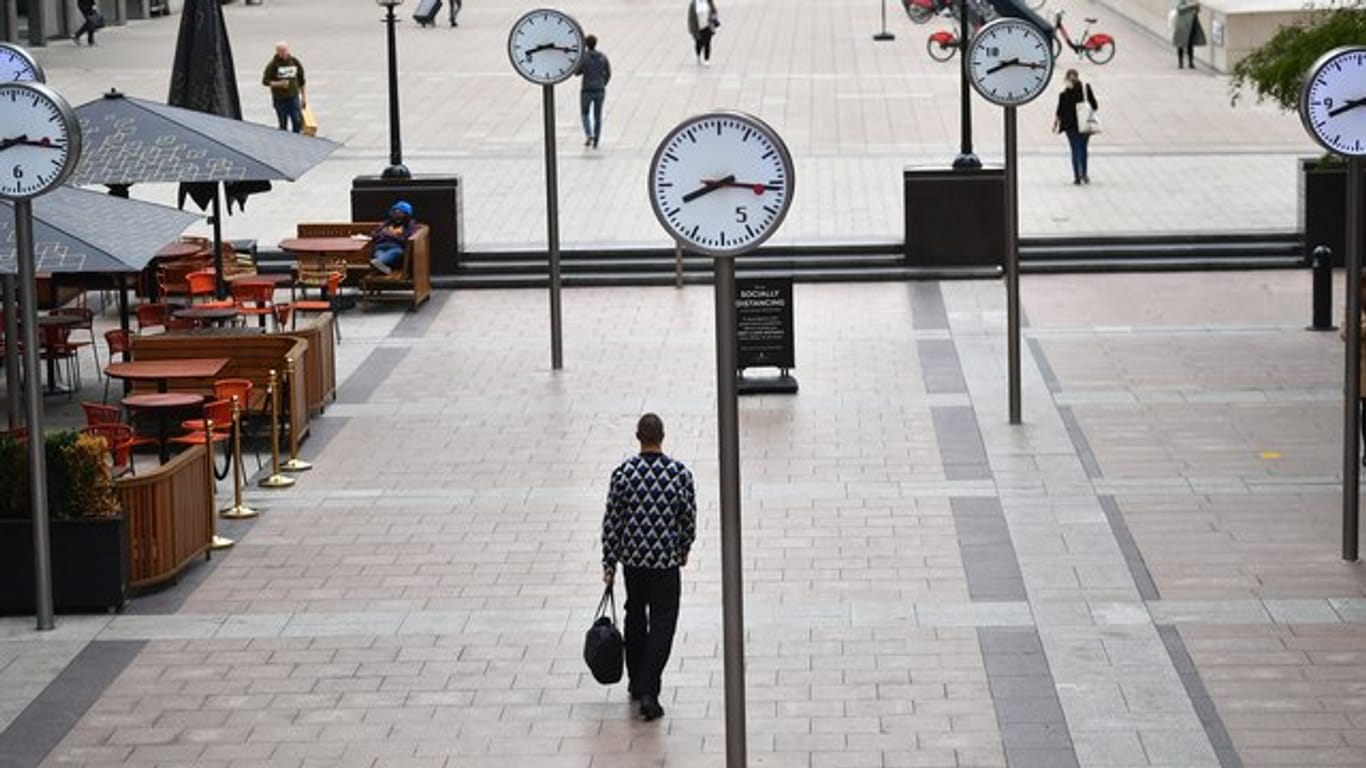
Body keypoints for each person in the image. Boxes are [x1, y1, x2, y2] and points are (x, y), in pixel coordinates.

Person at [601, 413, 696, 722]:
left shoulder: (623, 474)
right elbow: (688, 519)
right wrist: (683, 549)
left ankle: (635, 679)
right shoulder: (679, 474)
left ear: (638, 436)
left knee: (635, 615)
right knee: (663, 623)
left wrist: (609, 563)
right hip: (665, 562)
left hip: (633, 561)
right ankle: (649, 689)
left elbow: (612, 521)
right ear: (663, 436)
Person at [1054, 69, 1098, 185]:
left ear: (1066, 79)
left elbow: (1059, 111)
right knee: (1083, 149)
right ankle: (1084, 174)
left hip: (1070, 126)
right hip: (1084, 123)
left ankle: (1076, 177)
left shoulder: (1064, 93)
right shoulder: (1085, 89)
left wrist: (1057, 122)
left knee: (1075, 149)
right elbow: (1094, 105)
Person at [262, 42, 308, 133]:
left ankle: (296, 139)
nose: (284, 53)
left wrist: (304, 98)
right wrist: (279, 84)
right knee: (283, 123)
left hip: (293, 97)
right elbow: (265, 81)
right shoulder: (273, 65)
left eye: (285, 50)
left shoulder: (294, 62)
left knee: (297, 121)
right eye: (281, 51)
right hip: (280, 99)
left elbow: (302, 80)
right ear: (277, 52)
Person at [575, 35, 611, 148]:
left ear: (586, 44)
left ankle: (588, 134)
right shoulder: (603, 57)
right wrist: (603, 83)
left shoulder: (583, 58)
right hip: (600, 90)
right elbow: (608, 73)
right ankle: (597, 138)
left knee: (585, 113)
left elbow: (577, 72)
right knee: (597, 115)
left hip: (586, 90)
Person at [369, 201, 416, 275]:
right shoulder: (388, 223)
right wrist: (382, 234)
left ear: (406, 214)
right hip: (380, 247)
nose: (395, 213)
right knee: (378, 254)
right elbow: (374, 234)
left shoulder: (409, 225)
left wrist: (392, 235)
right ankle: (384, 268)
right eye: (394, 211)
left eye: (399, 211)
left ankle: (379, 263)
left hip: (395, 248)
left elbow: (406, 239)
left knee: (383, 258)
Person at [1170, 0, 1206, 70]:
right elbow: (1179, 8)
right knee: (1180, 44)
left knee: (1190, 45)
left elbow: (1198, 10)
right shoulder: (1182, 1)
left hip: (1191, 25)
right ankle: (1180, 62)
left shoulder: (1194, 2)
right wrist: (1191, 6)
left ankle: (1191, 62)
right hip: (1182, 25)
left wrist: (1195, 7)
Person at [687, 0, 720, 67]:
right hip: (698, 27)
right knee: (699, 43)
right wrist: (692, 29)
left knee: (707, 42)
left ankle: (706, 59)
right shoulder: (693, 4)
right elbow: (691, 18)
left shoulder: (709, 2)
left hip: (707, 26)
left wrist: (714, 20)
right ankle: (698, 54)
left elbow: (714, 11)